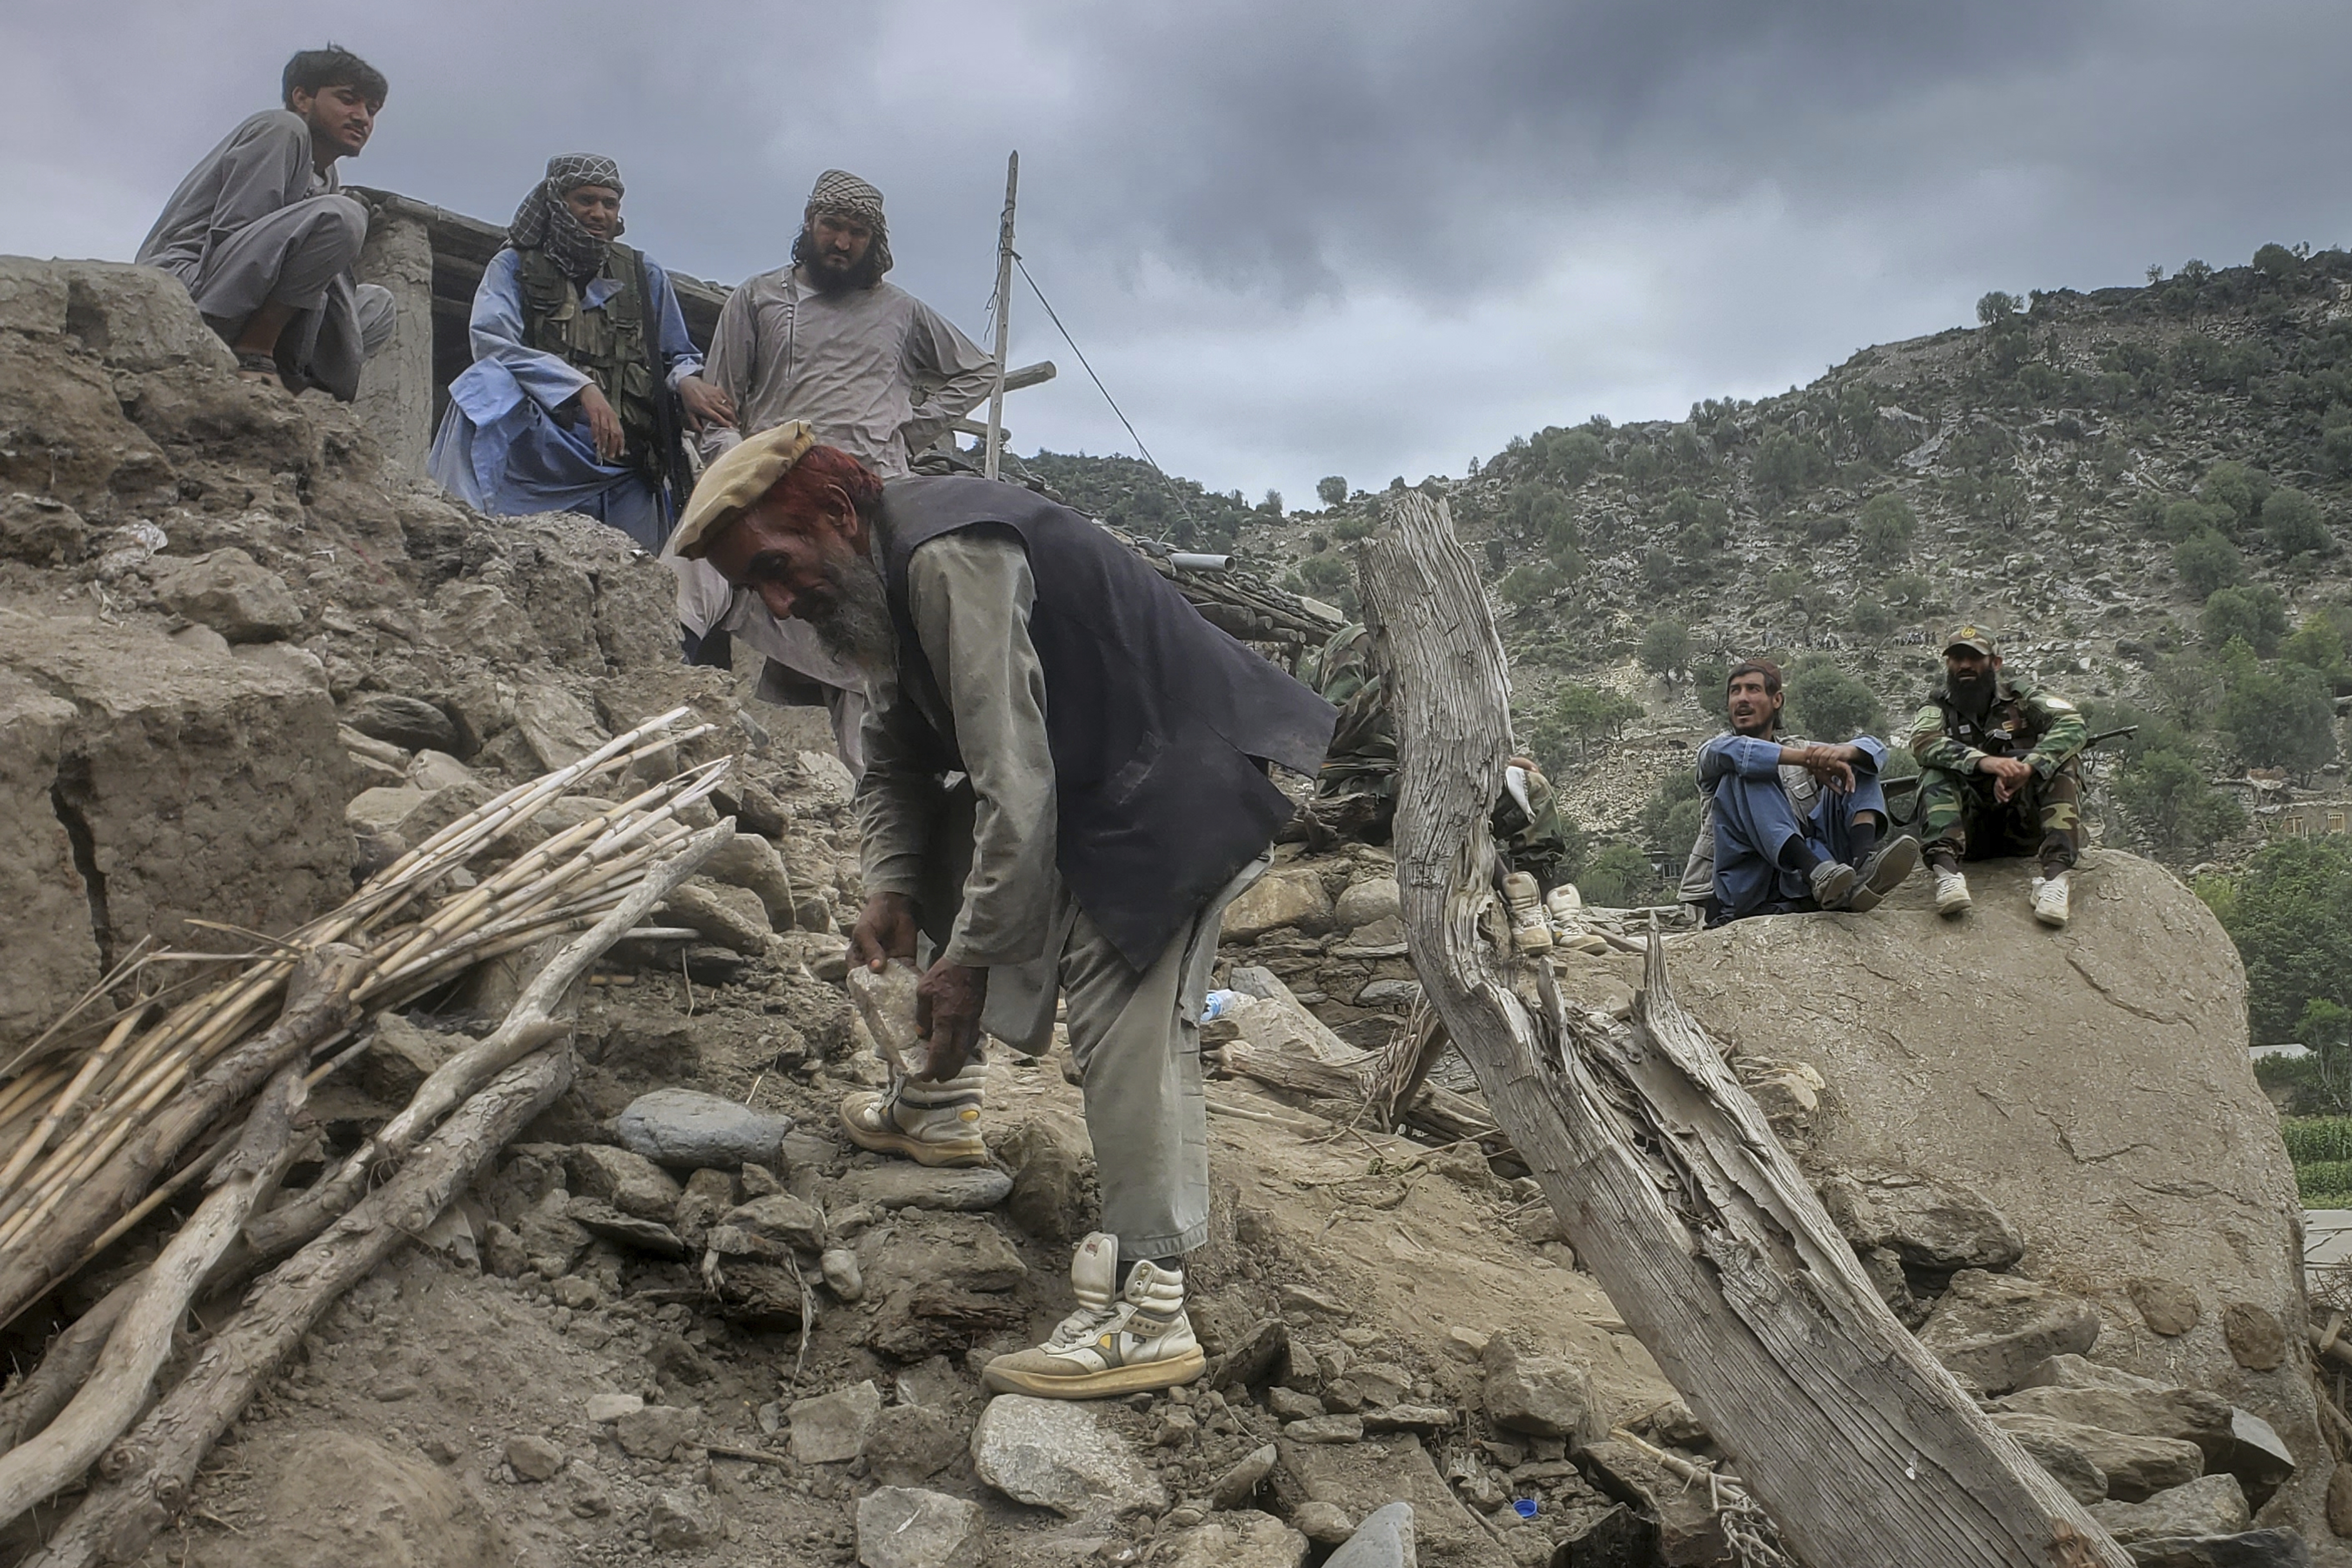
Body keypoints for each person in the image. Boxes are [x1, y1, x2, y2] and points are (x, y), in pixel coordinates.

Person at [670, 424, 1336, 1399]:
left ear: (837, 514)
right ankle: (939, 1103)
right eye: (754, 588)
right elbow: (900, 750)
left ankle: (1151, 1306)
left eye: (777, 565)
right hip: (1089, 774)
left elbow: (1014, 785)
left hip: (1172, 778)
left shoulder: (950, 557)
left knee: (1126, 1009)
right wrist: (893, 885)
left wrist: (970, 960)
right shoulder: (877, 574)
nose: (778, 601)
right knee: (947, 830)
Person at [670, 171, 998, 764]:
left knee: (865, 638)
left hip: (861, 499)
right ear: (809, 226)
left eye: (856, 232)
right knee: (700, 565)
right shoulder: (758, 299)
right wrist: (736, 473)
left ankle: (875, 797)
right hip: (773, 489)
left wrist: (908, 427)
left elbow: (979, 371)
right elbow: (719, 406)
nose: (842, 243)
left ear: (875, 242)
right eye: (833, 227)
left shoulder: (903, 312)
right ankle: (658, 684)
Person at [425, 156, 733, 552]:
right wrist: (580, 387)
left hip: (627, 463)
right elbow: (493, 344)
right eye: (586, 200)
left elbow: (678, 355)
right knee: (483, 385)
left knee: (639, 583)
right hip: (545, 454)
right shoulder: (514, 266)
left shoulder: (643, 274)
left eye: (610, 203)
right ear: (557, 201)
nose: (599, 213)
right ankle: (457, 526)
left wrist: (689, 381)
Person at [136, 45, 396, 399]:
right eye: (348, 100)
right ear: (302, 98)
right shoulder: (282, 129)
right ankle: (255, 353)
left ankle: (294, 385)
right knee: (345, 216)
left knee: (376, 306)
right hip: (193, 284)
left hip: (250, 290)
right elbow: (235, 232)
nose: (362, 117)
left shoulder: (328, 176)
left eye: (371, 110)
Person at [1299, 621, 1576, 947]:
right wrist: (1390, 680)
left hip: (1421, 774)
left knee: (1533, 789)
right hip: (1357, 783)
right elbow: (1332, 730)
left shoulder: (1432, 658)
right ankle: (1516, 903)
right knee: (1450, 790)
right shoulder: (1357, 645)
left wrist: (1496, 763)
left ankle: (1549, 913)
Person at [1679, 659, 1919, 924]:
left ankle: (1862, 866)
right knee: (1745, 772)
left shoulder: (1799, 747)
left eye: (1753, 690)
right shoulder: (1715, 753)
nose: (1742, 699)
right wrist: (1808, 759)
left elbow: (1877, 748)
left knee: (1857, 762)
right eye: (1735, 691)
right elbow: (1737, 753)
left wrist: (1841, 754)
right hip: (1751, 889)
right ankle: (1818, 873)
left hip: (1807, 885)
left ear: (1777, 700)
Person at [1908, 627, 2088, 927]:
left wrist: (2031, 766)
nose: (1964, 665)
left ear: (1996, 663)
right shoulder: (1937, 707)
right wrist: (1984, 763)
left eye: (1974, 658)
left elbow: (2073, 724)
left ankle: (2056, 880)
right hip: (1971, 834)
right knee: (1934, 770)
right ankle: (1948, 876)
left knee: (2065, 762)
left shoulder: (2021, 697)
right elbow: (1924, 743)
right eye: (1956, 658)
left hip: (2024, 824)